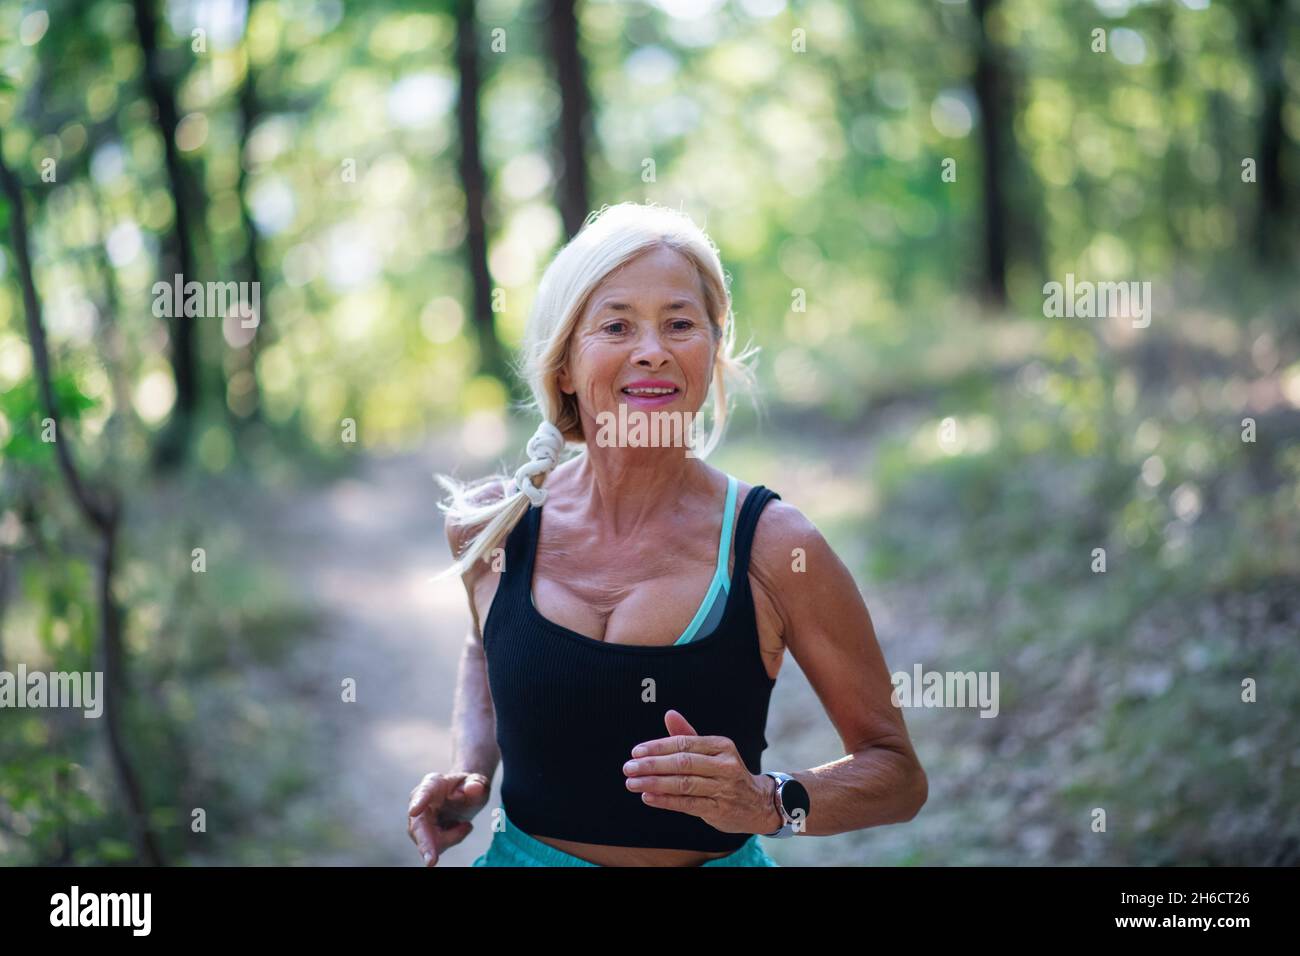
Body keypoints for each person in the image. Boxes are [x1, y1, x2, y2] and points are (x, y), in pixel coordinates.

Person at [408, 202, 927, 866]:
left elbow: (898, 776)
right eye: (617, 326)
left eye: (680, 324)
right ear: (563, 365)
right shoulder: (493, 528)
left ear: (711, 352)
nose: (652, 350)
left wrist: (769, 801)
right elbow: (485, 648)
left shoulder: (775, 547)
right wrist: (472, 769)